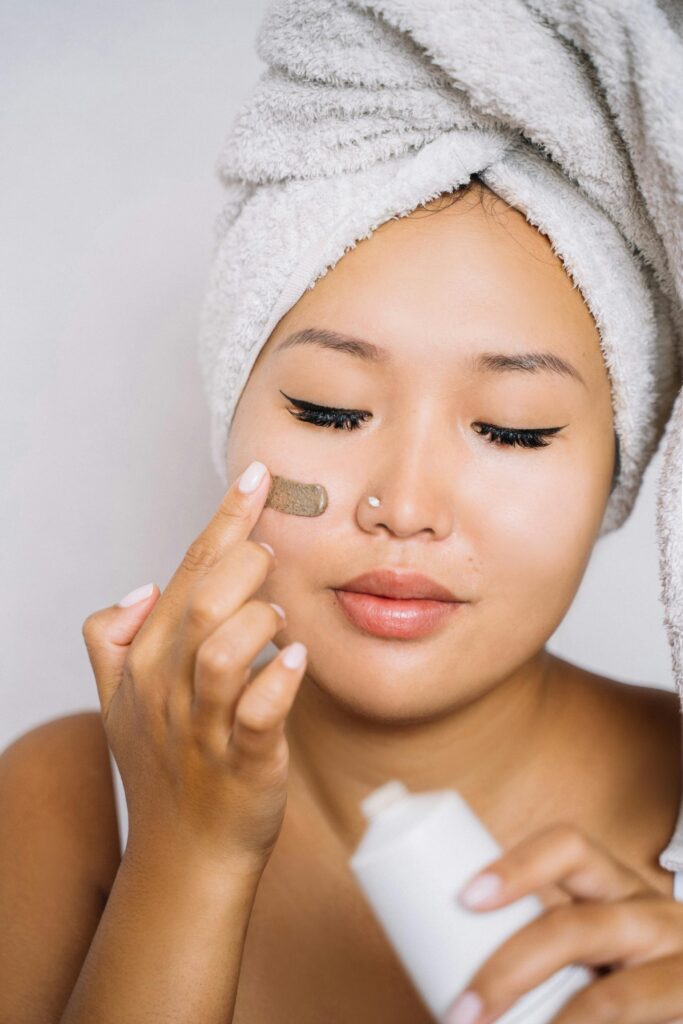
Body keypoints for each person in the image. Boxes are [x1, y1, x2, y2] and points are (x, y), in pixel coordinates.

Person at [1, 178, 682, 1024]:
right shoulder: (66, 799)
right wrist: (185, 857)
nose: (403, 506)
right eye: (330, 411)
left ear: (618, 469)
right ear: (233, 421)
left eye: (512, 428)